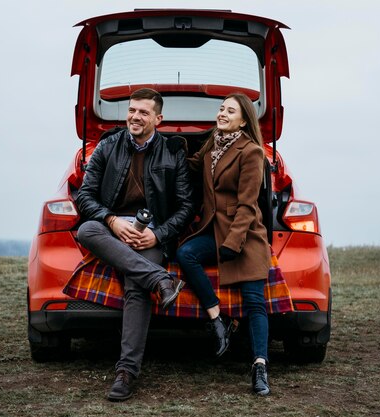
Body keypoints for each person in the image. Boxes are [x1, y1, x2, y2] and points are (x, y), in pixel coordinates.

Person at [75, 88, 195, 401]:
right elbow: (84, 196)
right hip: (111, 227)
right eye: (131, 110)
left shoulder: (173, 152)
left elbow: (186, 206)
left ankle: (126, 372)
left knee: (136, 285)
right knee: (87, 230)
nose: (135, 117)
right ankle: (161, 280)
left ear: (158, 118)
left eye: (143, 112)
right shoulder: (107, 146)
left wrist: (158, 235)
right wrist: (112, 221)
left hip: (152, 233)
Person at [176, 92, 272, 396]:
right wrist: (169, 146)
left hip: (245, 235)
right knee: (186, 253)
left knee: (255, 302)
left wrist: (234, 243)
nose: (222, 113)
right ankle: (219, 319)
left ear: (243, 119)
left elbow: (247, 205)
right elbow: (190, 168)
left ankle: (260, 367)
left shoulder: (251, 152)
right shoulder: (211, 146)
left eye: (230, 111)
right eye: (221, 109)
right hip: (213, 229)